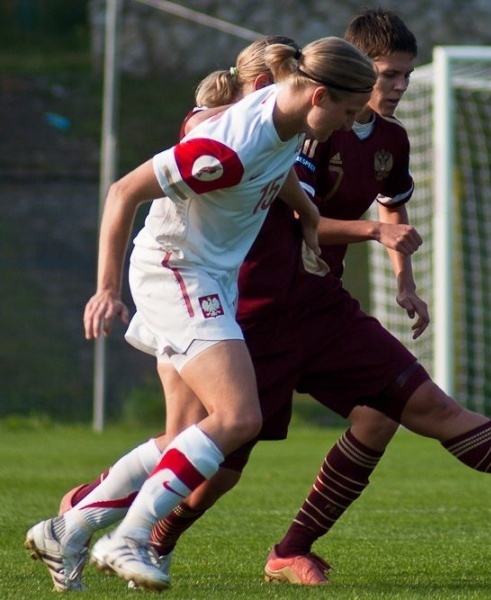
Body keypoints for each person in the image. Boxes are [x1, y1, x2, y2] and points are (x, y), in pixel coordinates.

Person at [42, 15, 491, 593]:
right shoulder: (255, 138)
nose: (387, 95)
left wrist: (338, 236)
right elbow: (133, 188)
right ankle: (110, 528)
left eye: (403, 77)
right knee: (210, 455)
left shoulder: (328, 129)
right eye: (381, 81)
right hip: (243, 307)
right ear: (332, 85)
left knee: (410, 406)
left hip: (320, 309)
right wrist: (107, 288)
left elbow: (291, 190)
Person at [25, 36, 378, 592]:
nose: (349, 125)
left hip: (206, 274)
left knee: (188, 435)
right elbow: (122, 192)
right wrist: (105, 290)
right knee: (239, 418)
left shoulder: (286, 114)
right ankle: (128, 539)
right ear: (318, 95)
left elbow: (278, 163)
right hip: (176, 271)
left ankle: (68, 529)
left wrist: (308, 215)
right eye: (349, 112)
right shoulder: (229, 145)